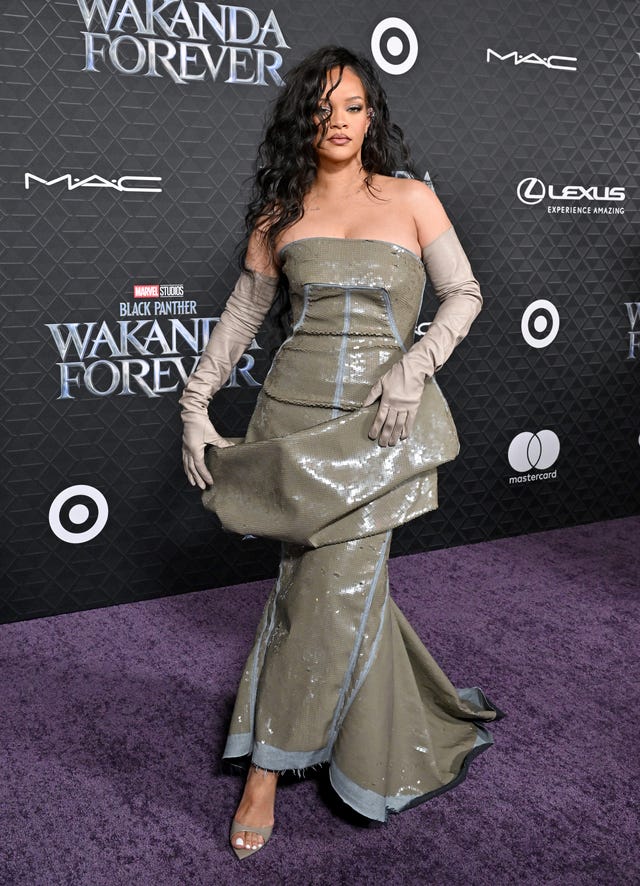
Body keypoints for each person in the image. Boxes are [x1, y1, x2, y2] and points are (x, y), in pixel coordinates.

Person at [179, 46, 503, 860]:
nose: (339, 122)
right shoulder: (279, 215)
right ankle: (367, 732)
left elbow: (463, 293)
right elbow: (242, 317)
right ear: (304, 119)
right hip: (290, 423)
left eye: (353, 106)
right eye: (323, 108)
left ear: (372, 115)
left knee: (331, 586)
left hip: (378, 427)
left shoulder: (412, 198)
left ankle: (266, 766)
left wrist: (414, 367)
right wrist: (193, 405)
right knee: (316, 584)